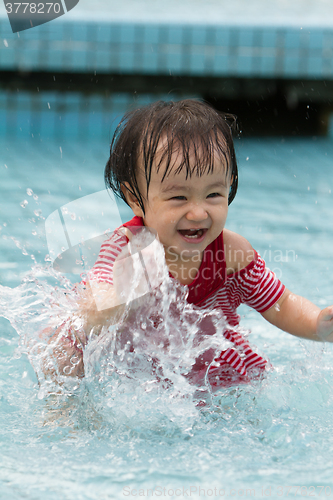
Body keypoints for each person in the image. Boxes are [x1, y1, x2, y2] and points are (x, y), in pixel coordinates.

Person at [46, 99, 333, 387]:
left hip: (219, 373)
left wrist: (317, 324)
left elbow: (281, 302)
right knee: (63, 349)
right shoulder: (128, 250)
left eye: (213, 195)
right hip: (141, 383)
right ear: (135, 199)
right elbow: (91, 311)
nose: (198, 213)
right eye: (179, 197)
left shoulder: (231, 254)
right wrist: (122, 294)